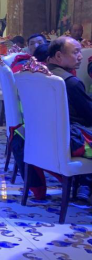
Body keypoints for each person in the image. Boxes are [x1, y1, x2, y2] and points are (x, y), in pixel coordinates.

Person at [47, 37, 92, 207]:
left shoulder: (41, 75)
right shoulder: (70, 83)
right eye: (76, 52)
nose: (80, 56)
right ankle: (85, 187)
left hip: (43, 138)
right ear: (59, 56)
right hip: (70, 140)